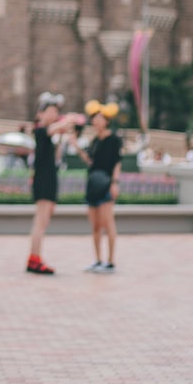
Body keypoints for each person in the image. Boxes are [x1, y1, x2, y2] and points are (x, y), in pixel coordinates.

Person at [75, 101, 123, 273]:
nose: (96, 121)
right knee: (95, 226)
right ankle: (97, 260)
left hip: (106, 184)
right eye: (94, 118)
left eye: (100, 118)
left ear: (107, 120)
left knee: (108, 223)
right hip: (93, 185)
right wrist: (75, 145)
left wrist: (115, 183)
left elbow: (117, 162)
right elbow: (90, 161)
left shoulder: (114, 139)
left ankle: (110, 262)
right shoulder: (95, 140)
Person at [25, 92, 63, 275]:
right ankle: (34, 259)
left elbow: (56, 157)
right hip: (44, 180)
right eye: (52, 110)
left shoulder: (48, 134)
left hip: (48, 179)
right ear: (42, 113)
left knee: (43, 221)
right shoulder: (40, 130)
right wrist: (69, 121)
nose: (55, 114)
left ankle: (35, 257)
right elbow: (54, 128)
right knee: (40, 222)